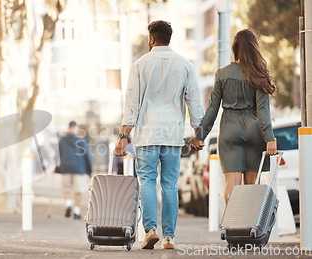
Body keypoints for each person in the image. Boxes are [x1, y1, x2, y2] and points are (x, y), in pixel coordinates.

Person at [114, 20, 204, 250]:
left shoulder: (139, 65)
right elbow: (194, 102)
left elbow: (131, 104)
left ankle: (151, 230)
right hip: (173, 136)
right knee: (170, 185)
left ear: (152, 39)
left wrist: (124, 136)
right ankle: (169, 238)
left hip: (147, 135)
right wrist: (198, 133)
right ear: (169, 38)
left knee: (147, 181)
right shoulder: (185, 65)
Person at [189, 28, 277, 204]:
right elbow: (263, 111)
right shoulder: (258, 74)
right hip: (254, 131)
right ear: (254, 48)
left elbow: (213, 108)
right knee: (253, 185)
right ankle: (250, 226)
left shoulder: (222, 73)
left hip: (229, 130)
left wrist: (200, 136)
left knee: (232, 184)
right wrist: (270, 138)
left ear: (234, 49)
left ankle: (233, 225)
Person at [56, 121, 92, 219]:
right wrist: (90, 170)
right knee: (78, 191)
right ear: (76, 128)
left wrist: (57, 168)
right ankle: (76, 212)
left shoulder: (62, 140)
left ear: (68, 128)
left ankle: (68, 204)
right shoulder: (81, 140)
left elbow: (58, 155)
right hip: (79, 168)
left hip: (66, 167)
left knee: (66, 189)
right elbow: (87, 156)